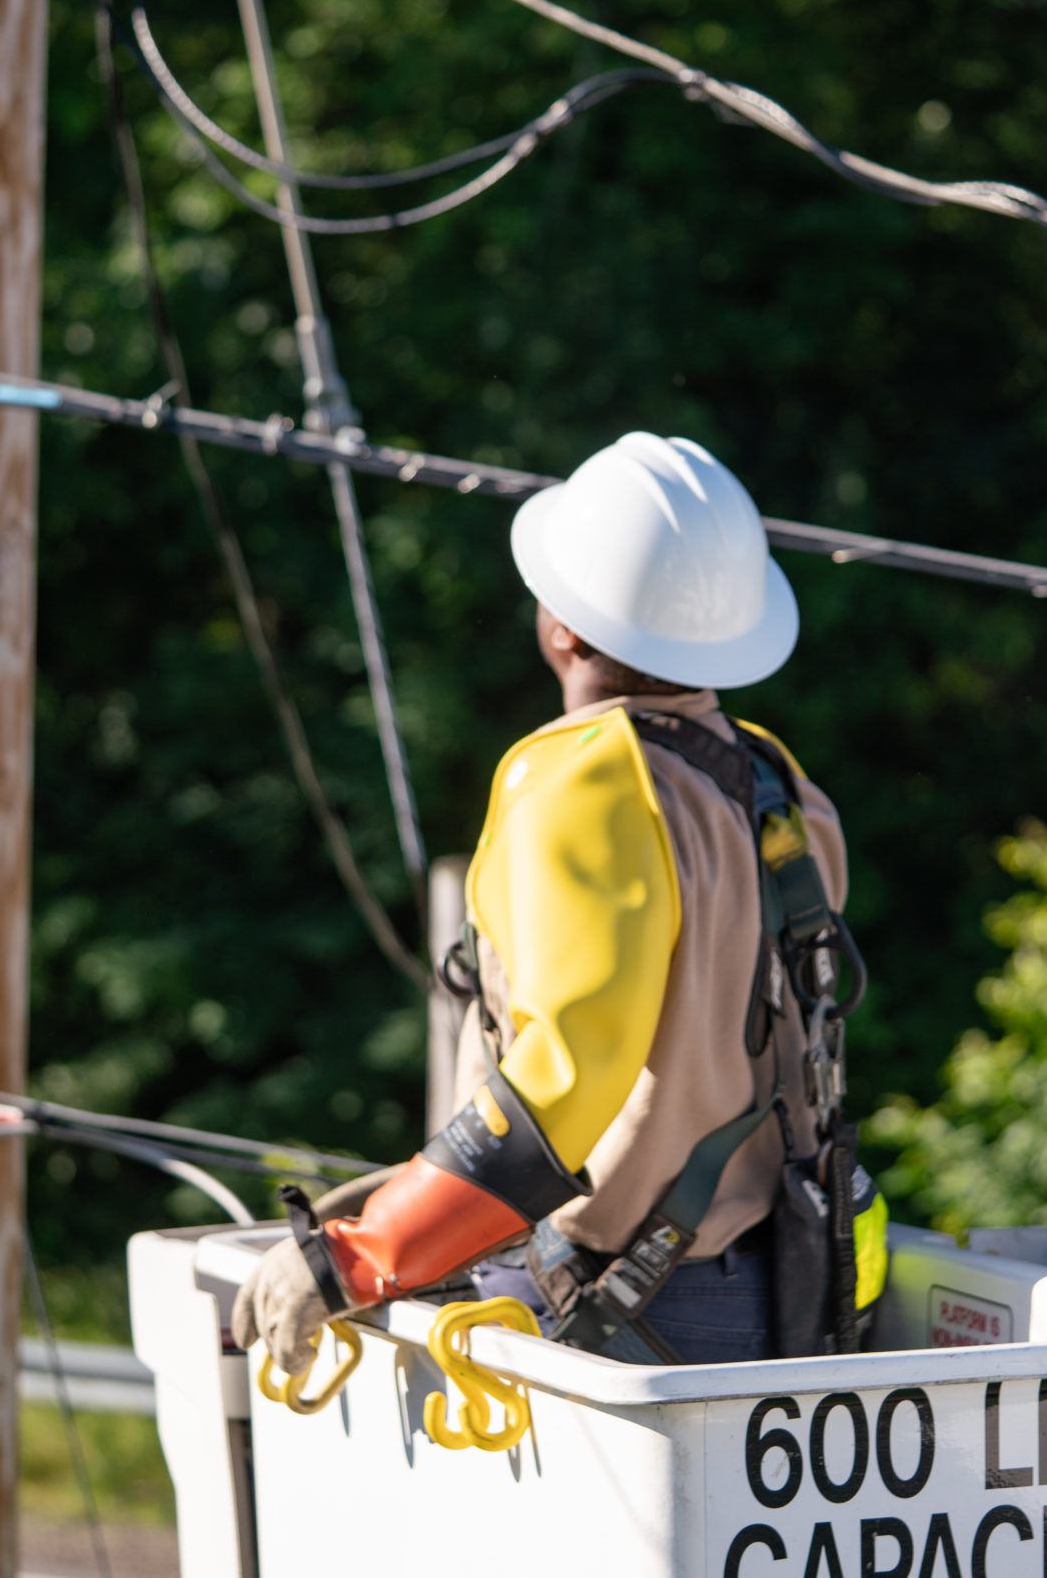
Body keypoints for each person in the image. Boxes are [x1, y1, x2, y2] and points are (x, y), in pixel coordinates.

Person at [231, 431, 878, 1375]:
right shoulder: (772, 782)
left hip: (630, 1300)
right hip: (787, 1285)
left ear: (561, 626)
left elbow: (568, 1072)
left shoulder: (585, 785)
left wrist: (358, 1257)